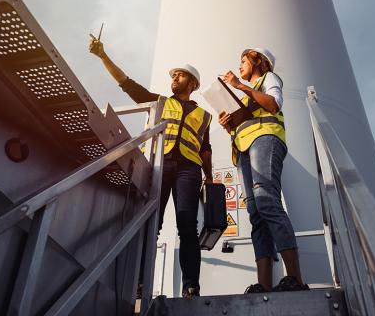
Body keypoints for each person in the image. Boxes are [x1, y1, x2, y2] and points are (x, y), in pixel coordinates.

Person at [89, 36, 213, 298]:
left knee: (187, 226)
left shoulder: (204, 115)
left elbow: (205, 149)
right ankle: (139, 284)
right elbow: (127, 84)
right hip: (159, 164)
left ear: (192, 83)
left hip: (189, 170)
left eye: (180, 76)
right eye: (174, 75)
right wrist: (103, 56)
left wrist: (210, 178)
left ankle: (191, 286)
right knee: (151, 225)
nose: (175, 78)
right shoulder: (159, 101)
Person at [218, 47, 308, 293]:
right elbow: (245, 123)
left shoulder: (268, 79)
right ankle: (264, 285)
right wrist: (228, 126)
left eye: (243, 60)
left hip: (265, 140)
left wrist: (240, 85)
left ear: (258, 62)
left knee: (268, 202)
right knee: (256, 215)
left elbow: (274, 104)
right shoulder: (246, 96)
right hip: (243, 148)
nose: (239, 66)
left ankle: (296, 279)